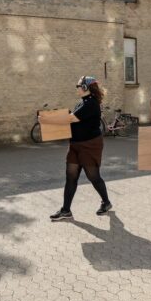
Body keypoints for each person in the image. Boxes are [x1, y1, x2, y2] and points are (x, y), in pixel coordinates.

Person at [41, 76, 113, 221]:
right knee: (71, 176)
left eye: (78, 85)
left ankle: (106, 202)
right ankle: (66, 210)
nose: (77, 88)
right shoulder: (81, 103)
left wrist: (46, 120)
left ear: (86, 87)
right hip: (75, 144)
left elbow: (70, 119)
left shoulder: (91, 104)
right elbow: (70, 119)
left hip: (90, 145)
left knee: (93, 176)